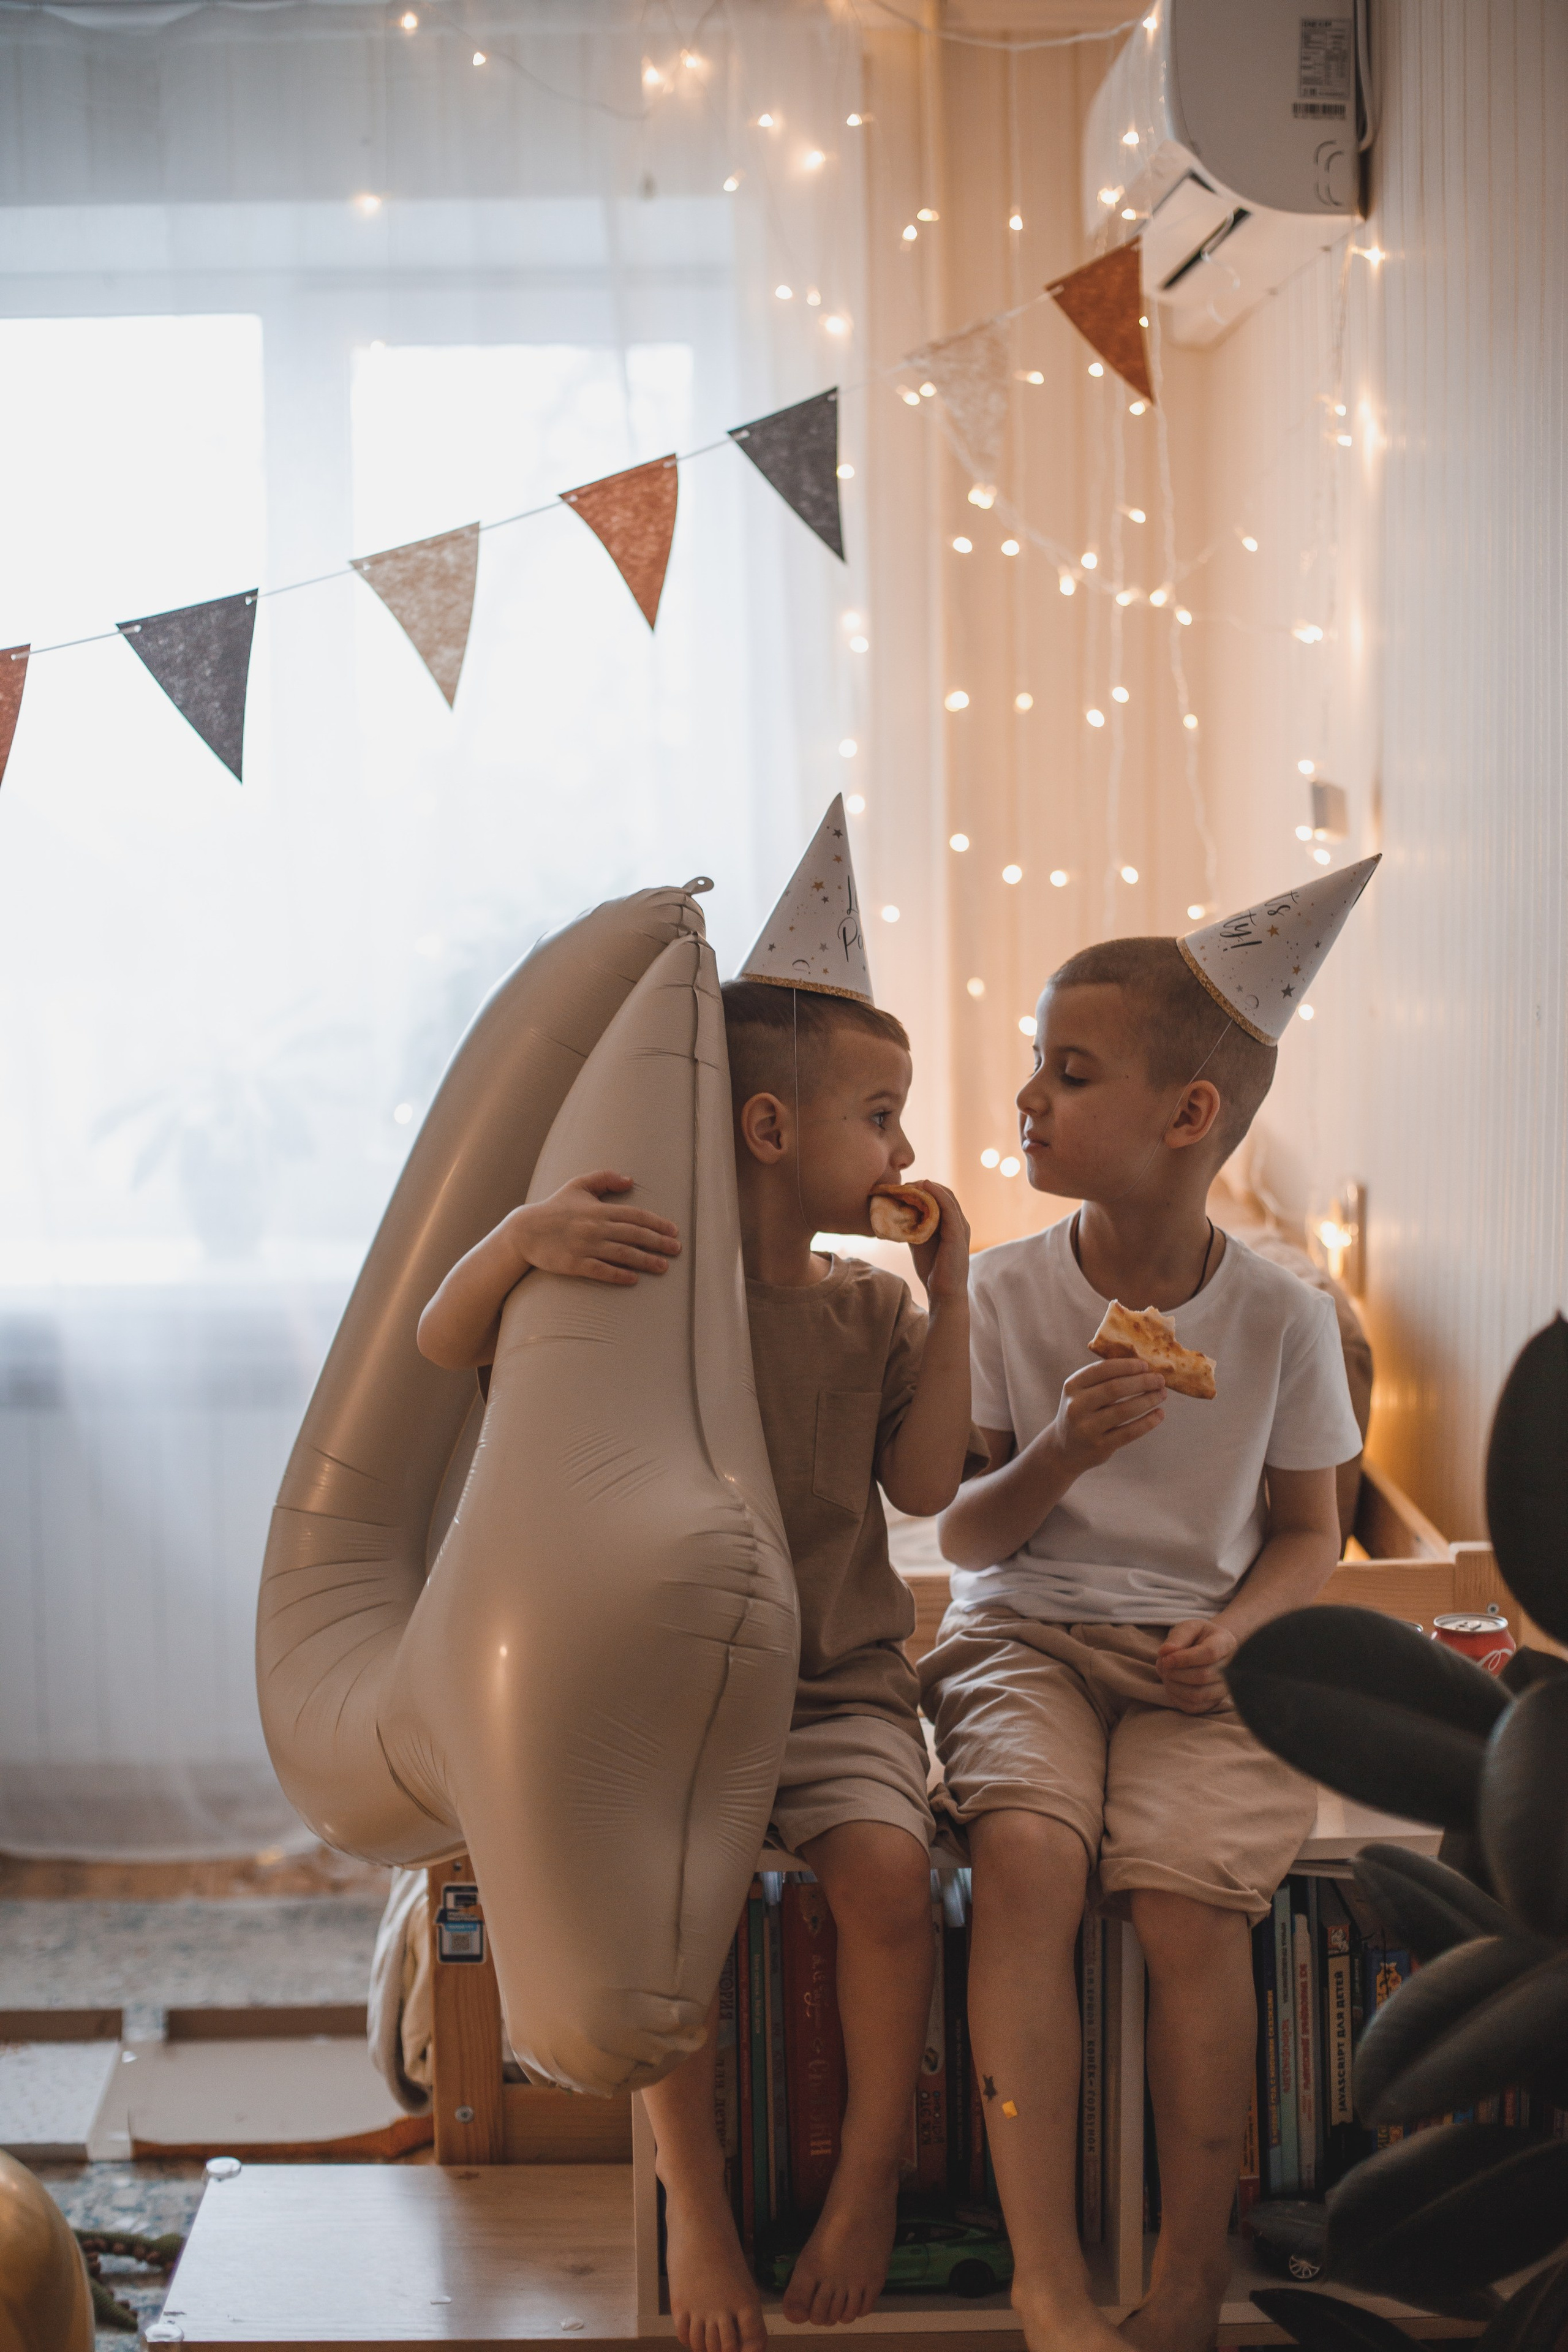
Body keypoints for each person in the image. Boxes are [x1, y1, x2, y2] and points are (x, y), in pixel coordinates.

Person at [418, 976, 978, 2352]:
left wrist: (949, 1296)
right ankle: (694, 2193)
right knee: (671, 1919)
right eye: (881, 1117)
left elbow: (920, 1487)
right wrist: (518, 1239)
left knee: (889, 1883)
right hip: (672, 1694)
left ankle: (865, 2178)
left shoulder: (866, 1312)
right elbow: (442, 1339)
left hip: (839, 1680)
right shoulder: (644, 1290)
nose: (905, 1154)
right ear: (770, 1128)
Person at [925, 935, 1363, 2352]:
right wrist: (1059, 1447)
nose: (1025, 1100)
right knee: (1031, 1863)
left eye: (1068, 1071)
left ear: (1188, 1116)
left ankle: (1184, 2276)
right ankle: (1044, 2274)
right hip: (1027, 1639)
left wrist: (1237, 1632)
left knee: (1184, 1912)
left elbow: (1312, 1535)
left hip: (1206, 1665)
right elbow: (966, 1541)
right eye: (1032, 1068)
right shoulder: (997, 1298)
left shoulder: (1285, 1320)